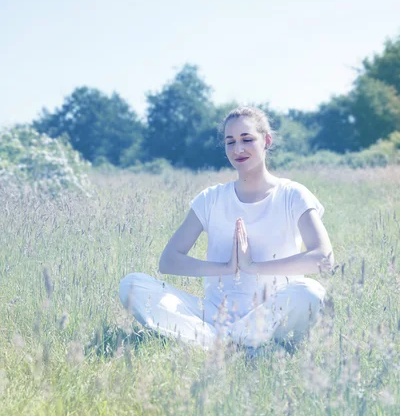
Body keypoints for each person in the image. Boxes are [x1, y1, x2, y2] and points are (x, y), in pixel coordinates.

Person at [119, 106, 334, 351]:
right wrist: (226, 268)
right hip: (213, 314)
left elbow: (324, 259)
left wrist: (253, 267)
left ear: (267, 140)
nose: (238, 149)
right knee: (132, 284)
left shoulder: (292, 194)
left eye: (247, 139)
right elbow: (168, 261)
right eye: (230, 142)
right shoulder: (210, 198)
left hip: (270, 313)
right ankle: (227, 341)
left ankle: (231, 340)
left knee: (312, 293)